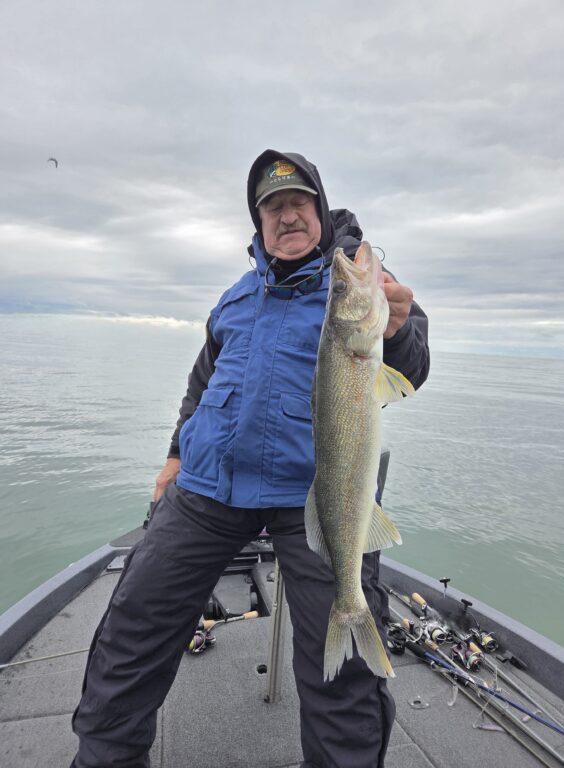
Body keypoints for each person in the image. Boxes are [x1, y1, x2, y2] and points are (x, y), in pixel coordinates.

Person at [70, 150, 430, 768]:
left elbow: (413, 366)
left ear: (319, 209)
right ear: (258, 222)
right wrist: (175, 455)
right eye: (273, 207)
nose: (287, 216)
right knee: (129, 631)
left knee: (340, 674)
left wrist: (395, 330)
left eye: (299, 203)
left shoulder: (365, 290)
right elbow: (203, 382)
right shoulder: (235, 298)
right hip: (208, 487)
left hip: (315, 497)